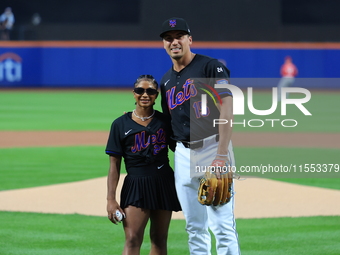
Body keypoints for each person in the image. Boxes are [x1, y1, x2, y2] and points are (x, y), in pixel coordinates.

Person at [159, 17, 241, 255]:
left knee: (222, 226)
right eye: (168, 38)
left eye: (179, 37)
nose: (174, 42)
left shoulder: (210, 66)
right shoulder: (165, 80)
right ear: (164, 44)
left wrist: (221, 155)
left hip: (212, 148)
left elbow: (227, 106)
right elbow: (169, 122)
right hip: (184, 153)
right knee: (194, 226)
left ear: (189, 39)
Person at [105, 74, 181, 255]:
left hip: (163, 181)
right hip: (136, 184)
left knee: (159, 239)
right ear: (134, 94)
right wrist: (110, 199)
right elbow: (114, 165)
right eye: (140, 91)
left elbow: (181, 149)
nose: (145, 95)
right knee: (132, 238)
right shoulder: (120, 124)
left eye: (150, 91)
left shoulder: (165, 122)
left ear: (156, 95)